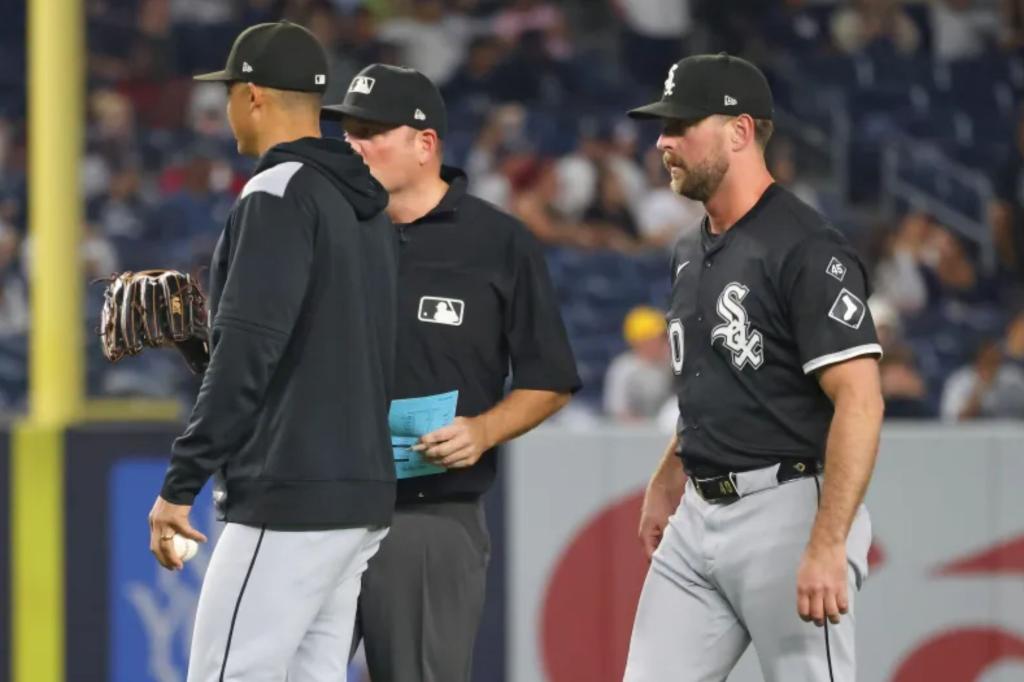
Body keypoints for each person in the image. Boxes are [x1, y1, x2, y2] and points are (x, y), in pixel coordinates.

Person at [146, 22, 399, 681]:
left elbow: (251, 357)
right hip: (356, 498)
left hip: (290, 498)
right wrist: (203, 344)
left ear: (253, 95)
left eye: (230, 90)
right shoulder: (363, 206)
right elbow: (308, 350)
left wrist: (181, 484)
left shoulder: (276, 193)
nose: (227, 103)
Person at [622, 53, 883, 681]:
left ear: (740, 131)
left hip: (787, 509)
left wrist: (828, 541)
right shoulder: (689, 248)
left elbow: (861, 401)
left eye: (682, 124)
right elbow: (721, 382)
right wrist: (670, 471)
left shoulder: (807, 247)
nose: (663, 140)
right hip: (697, 519)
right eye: (663, 126)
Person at [321, 64, 580, 682]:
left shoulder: (497, 242)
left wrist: (484, 431)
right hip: (320, 503)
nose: (352, 145)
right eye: (347, 132)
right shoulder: (326, 231)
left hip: (427, 512)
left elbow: (550, 377)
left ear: (425, 143)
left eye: (370, 131)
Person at [604, 306, 674, 421]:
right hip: (633, 435)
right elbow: (618, 413)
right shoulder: (623, 369)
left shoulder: (670, 364)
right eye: (660, 337)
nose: (666, 341)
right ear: (641, 341)